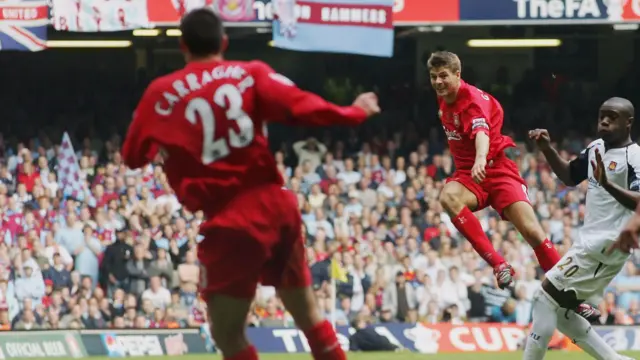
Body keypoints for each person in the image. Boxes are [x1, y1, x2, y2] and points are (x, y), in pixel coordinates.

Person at [122, 8, 380, 360]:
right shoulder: (250, 74)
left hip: (232, 219)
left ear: (182, 45)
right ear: (224, 42)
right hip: (277, 205)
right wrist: (355, 112)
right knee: (308, 314)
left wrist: (171, 147)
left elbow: (133, 156)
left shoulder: (160, 92)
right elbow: (304, 107)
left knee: (228, 334)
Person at [428, 52, 572, 294]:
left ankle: (571, 293)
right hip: (469, 175)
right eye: (433, 77)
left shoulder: (471, 101)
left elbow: (481, 133)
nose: (438, 82)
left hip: (496, 169)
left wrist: (481, 159)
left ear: (457, 75)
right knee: (447, 197)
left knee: (533, 232)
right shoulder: (444, 96)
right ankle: (499, 265)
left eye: (443, 76)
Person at [524, 97, 640, 360]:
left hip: (607, 245)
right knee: (563, 313)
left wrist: (608, 184)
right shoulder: (596, 147)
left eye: (612, 117)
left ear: (628, 123)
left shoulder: (635, 156)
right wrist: (547, 149)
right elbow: (569, 176)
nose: (605, 121)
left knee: (544, 297)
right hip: (590, 242)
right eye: (602, 116)